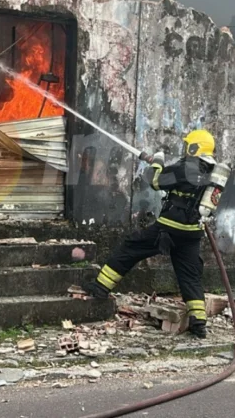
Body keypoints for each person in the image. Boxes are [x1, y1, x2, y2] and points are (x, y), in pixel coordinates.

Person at [84, 129, 218, 339]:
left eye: (188, 146)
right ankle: (199, 322)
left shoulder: (186, 167)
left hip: (169, 228)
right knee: (190, 276)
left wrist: (156, 162)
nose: (185, 149)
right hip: (192, 233)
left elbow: (155, 181)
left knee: (131, 247)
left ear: (194, 147)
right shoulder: (213, 171)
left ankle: (100, 287)